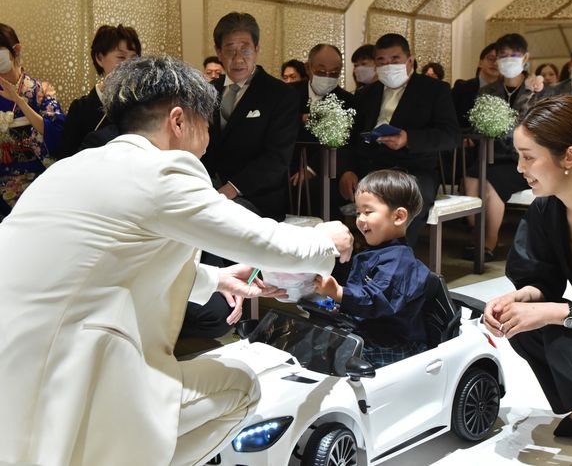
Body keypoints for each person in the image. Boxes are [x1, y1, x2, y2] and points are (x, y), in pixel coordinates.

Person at [0, 56, 354, 466]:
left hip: (14, 365)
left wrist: (215, 279)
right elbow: (261, 240)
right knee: (241, 388)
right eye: (207, 127)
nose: (207, 143)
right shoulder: (162, 170)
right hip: (74, 372)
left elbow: (108, 261)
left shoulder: (68, 169)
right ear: (179, 121)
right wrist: (325, 241)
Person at [483, 95, 572, 438]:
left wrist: (555, 312)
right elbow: (540, 273)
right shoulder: (547, 208)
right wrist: (521, 297)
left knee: (558, 332)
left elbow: (558, 311)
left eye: (529, 157)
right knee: (523, 325)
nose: (519, 169)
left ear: (570, 156)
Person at [338, 33, 460, 247]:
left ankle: (393, 257)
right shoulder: (367, 94)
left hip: (414, 169)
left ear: (409, 61)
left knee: (404, 199)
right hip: (371, 166)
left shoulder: (433, 90)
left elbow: (450, 136)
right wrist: (347, 169)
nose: (388, 66)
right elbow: (351, 136)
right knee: (327, 188)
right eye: (382, 61)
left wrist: (408, 138)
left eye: (395, 59)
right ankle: (341, 254)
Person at [314, 169, 430, 367]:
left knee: (331, 359)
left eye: (368, 212)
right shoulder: (376, 252)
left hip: (391, 345)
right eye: (358, 212)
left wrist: (339, 293)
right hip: (366, 331)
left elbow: (376, 300)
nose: (360, 219)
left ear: (399, 216)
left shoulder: (399, 262)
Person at [202, 12, 300, 221]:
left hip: (256, 197)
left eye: (245, 50)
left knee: (217, 219)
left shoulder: (280, 94)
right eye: (230, 50)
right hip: (209, 190)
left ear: (257, 49)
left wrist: (231, 189)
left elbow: (277, 158)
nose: (238, 59)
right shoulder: (207, 91)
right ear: (218, 52)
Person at [463, 33, 544, 261]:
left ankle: (488, 243)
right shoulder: (487, 91)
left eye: (514, 55)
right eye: (503, 55)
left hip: (523, 161)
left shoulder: (537, 90)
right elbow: (478, 125)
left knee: (490, 183)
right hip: (491, 156)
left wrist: (530, 90)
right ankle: (478, 235)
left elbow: (534, 127)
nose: (508, 59)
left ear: (525, 58)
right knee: (470, 179)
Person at [0, 23, 65, 217]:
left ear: (16, 50)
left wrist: (20, 102)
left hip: (38, 178)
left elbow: (57, 134)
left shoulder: (41, 91)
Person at [56, 24, 141, 158]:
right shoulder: (80, 109)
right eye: (121, 57)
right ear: (100, 58)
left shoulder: (142, 104)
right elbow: (66, 159)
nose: (130, 65)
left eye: (134, 58)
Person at [289, 44, 354, 217]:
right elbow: (277, 125)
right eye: (321, 71)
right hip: (287, 162)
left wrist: (311, 168)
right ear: (308, 68)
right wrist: (301, 118)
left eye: (334, 73)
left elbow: (346, 142)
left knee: (318, 192)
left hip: (325, 167)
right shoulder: (287, 93)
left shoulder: (347, 101)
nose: (327, 77)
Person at [451, 43, 500, 130]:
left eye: (500, 61)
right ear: (480, 63)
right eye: (491, 59)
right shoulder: (462, 87)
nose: (495, 63)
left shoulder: (507, 92)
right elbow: (450, 119)